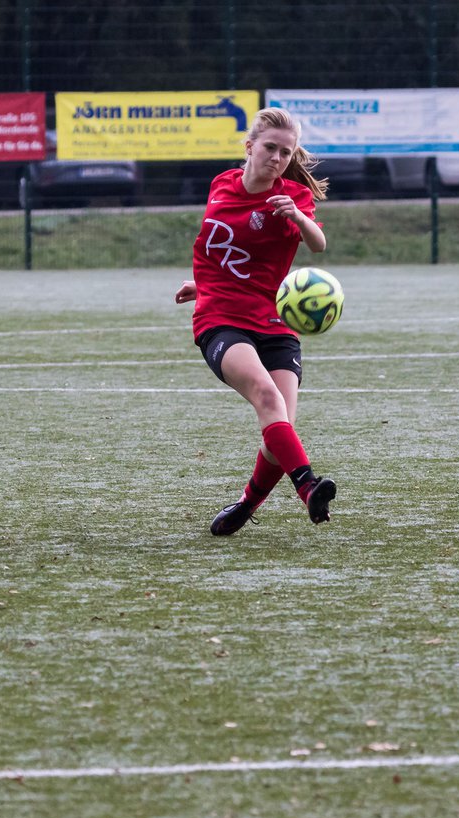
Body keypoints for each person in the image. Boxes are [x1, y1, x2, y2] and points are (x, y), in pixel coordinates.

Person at [174, 107, 336, 535]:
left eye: (286, 152)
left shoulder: (292, 197)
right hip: (221, 317)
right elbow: (220, 245)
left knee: (278, 430)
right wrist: (203, 284)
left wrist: (299, 217)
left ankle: (246, 505)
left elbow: (318, 246)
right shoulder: (222, 184)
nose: (278, 158)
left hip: (274, 321)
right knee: (267, 397)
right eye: (270, 148)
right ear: (249, 147)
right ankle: (309, 488)